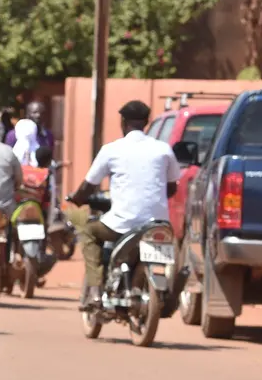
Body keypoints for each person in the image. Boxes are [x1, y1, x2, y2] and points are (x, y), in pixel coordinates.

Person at [67, 100, 180, 308]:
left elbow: (88, 186)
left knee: (89, 231)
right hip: (158, 224)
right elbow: (172, 188)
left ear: (123, 122)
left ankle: (94, 290)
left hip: (121, 224)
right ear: (146, 122)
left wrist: (77, 199)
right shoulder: (163, 150)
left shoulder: (111, 150)